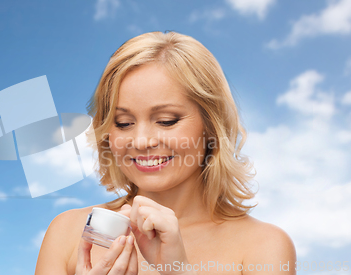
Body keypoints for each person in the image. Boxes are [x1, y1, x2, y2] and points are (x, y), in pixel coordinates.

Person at [35, 31, 296, 275]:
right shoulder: (69, 232)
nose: (141, 141)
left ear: (211, 125)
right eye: (124, 123)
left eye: (167, 120)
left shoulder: (264, 247)